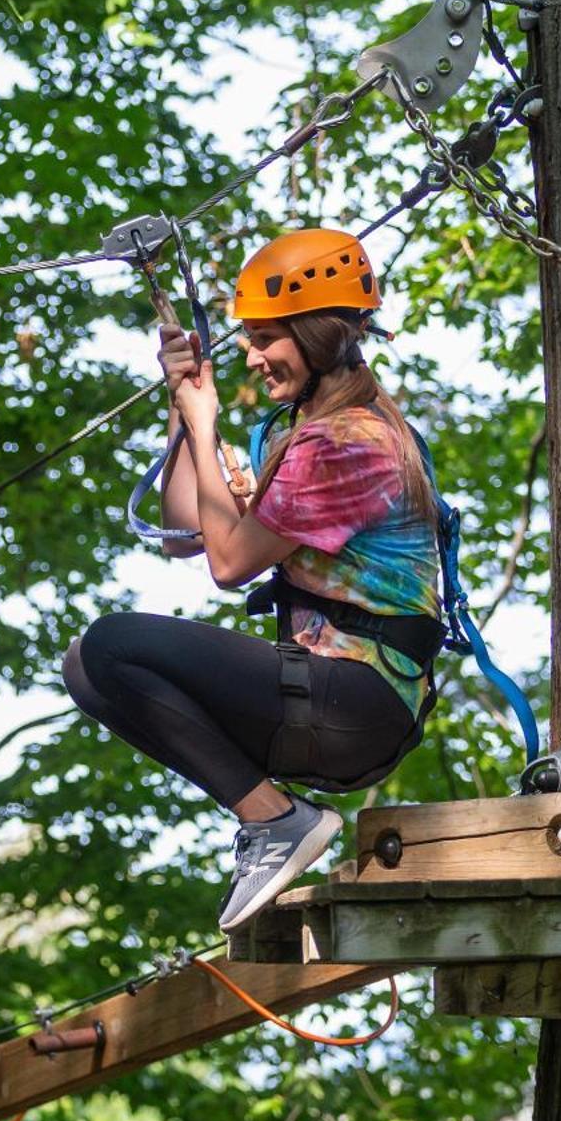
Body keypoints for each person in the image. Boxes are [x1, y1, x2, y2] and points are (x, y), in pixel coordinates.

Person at [64, 229, 444, 932]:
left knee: (113, 645)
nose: (250, 355)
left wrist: (208, 430)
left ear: (319, 333)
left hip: (358, 697)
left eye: (265, 337)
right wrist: (185, 413)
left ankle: (278, 823)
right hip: (323, 695)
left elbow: (231, 563)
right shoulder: (295, 432)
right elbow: (190, 533)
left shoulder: (350, 442)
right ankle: (273, 821)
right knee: (90, 664)